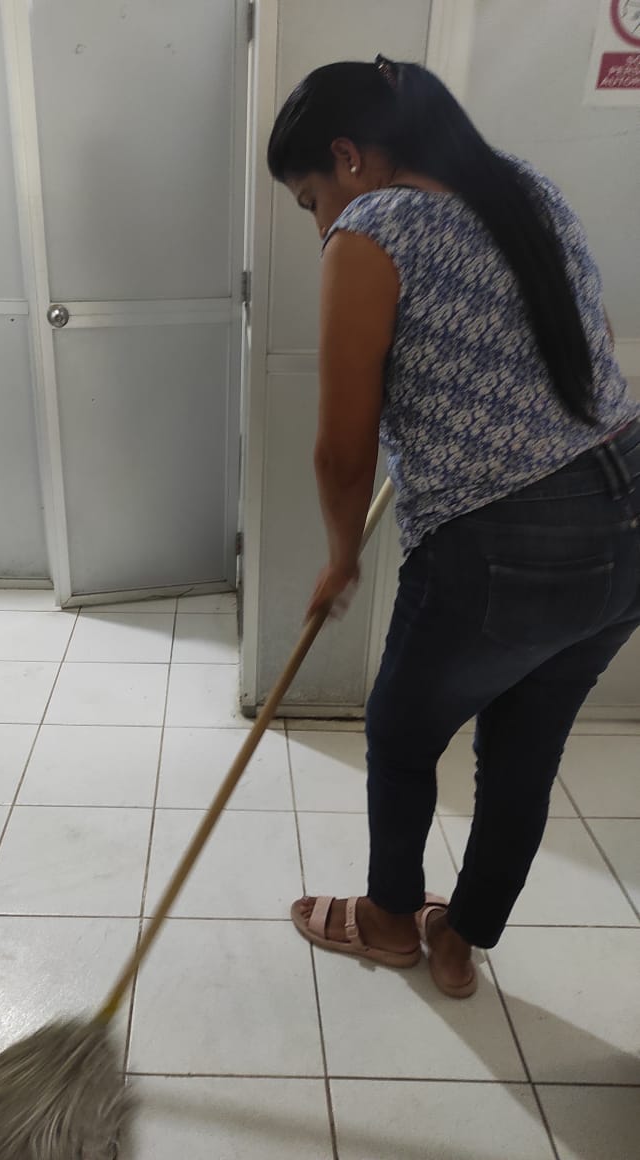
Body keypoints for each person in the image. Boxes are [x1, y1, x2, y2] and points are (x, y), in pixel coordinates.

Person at [268, 56, 640, 998]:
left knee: (400, 733)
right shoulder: (524, 189)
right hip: (631, 509)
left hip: (505, 540)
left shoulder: (372, 229)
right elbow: (589, 339)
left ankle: (391, 920)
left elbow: (341, 450)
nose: (319, 222)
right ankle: (459, 939)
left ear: (348, 157)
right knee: (526, 749)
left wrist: (342, 557)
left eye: (310, 199)